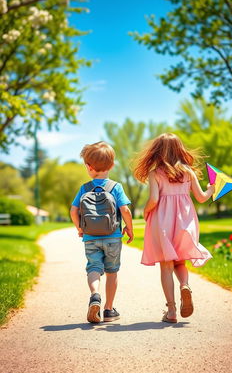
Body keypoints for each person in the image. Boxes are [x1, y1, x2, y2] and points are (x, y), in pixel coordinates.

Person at [133, 133, 215, 323]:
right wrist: (211, 188)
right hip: (185, 222)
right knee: (180, 262)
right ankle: (185, 285)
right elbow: (202, 197)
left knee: (166, 265)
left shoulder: (155, 173)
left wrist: (145, 212)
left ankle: (171, 311)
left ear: (157, 152)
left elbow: (154, 199)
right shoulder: (188, 172)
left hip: (163, 222)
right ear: (180, 150)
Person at [70, 141, 133, 324]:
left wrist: (80, 228)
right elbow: (125, 210)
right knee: (112, 272)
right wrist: (129, 227)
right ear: (112, 165)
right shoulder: (116, 187)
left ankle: (95, 295)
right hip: (113, 237)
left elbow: (73, 211)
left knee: (94, 268)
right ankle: (108, 310)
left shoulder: (85, 188)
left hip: (91, 238)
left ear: (88, 167)